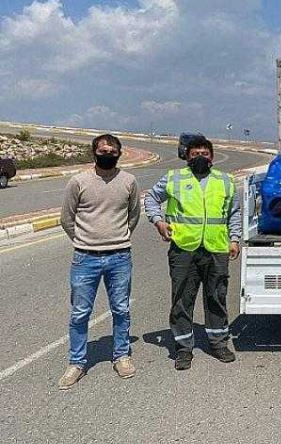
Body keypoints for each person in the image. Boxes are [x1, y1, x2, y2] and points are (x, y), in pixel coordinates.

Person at [144, 136, 241, 370]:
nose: (200, 157)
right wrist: (158, 222)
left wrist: (235, 239)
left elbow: (234, 213)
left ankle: (218, 343)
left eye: (204, 154)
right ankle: (183, 348)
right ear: (187, 156)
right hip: (183, 248)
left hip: (216, 248)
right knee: (182, 299)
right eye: (195, 153)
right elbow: (151, 198)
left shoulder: (226, 181)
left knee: (216, 297)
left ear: (212, 157)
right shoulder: (174, 178)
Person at [58, 134, 141, 389]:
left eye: (112, 150)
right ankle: (77, 362)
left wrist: (118, 238)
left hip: (119, 257)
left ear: (119, 153)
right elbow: (67, 219)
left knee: (121, 309)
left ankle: (121, 356)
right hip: (85, 258)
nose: (107, 153)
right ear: (94, 152)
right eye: (103, 150)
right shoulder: (79, 181)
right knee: (80, 313)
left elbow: (134, 215)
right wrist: (84, 240)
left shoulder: (129, 181)